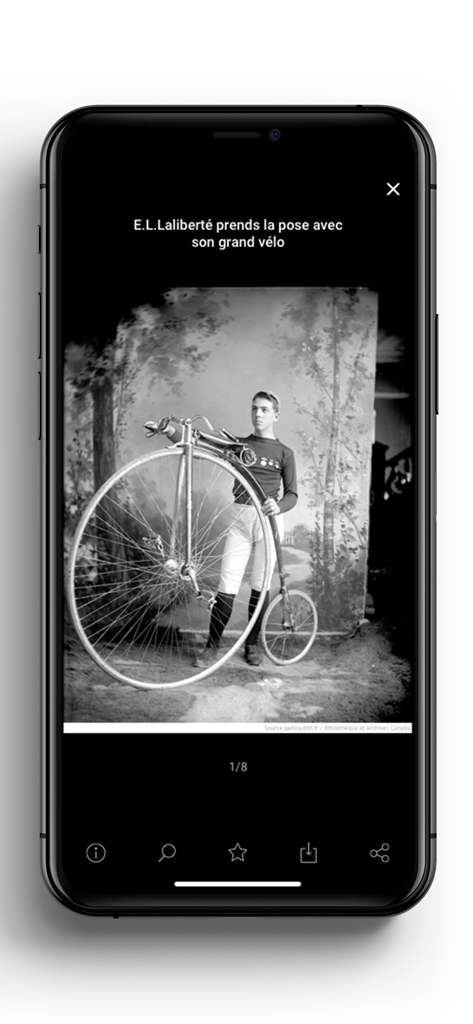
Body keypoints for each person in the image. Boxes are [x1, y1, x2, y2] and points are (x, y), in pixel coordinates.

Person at [189, 390, 298, 667]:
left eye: (264, 409)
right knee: (227, 585)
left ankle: (251, 645)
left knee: (260, 586)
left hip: (268, 523)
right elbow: (204, 448)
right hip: (239, 519)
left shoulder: (285, 453)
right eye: (254, 409)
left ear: (276, 415)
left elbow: (292, 495)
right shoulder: (238, 445)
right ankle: (212, 647)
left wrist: (279, 506)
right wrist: (173, 433)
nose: (258, 414)